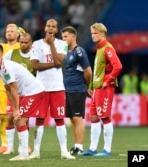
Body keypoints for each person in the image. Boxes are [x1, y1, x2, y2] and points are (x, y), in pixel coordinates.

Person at [0, 43, 46, 161]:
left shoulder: (6, 67)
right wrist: (14, 109)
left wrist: (17, 110)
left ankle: (24, 154)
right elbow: (8, 89)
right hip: (26, 93)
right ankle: (21, 151)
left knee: (20, 121)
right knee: (18, 120)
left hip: (34, 91)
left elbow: (13, 88)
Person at [28, 19, 75, 160]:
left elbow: (60, 62)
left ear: (56, 30)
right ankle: (36, 151)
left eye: (53, 27)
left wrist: (52, 45)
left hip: (57, 88)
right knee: (39, 119)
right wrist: (53, 64)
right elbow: (35, 66)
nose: (50, 28)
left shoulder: (62, 44)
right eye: (48, 26)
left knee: (59, 119)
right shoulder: (36, 44)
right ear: (45, 28)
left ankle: (64, 151)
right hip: (40, 89)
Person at [80, 23, 122, 156]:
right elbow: (97, 71)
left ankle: (107, 150)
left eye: (96, 33)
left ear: (103, 34)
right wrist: (91, 86)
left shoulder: (108, 48)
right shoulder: (99, 48)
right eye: (92, 33)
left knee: (105, 117)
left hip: (105, 88)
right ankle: (92, 149)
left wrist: (107, 81)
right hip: (97, 88)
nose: (93, 36)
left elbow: (118, 66)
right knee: (93, 117)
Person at [61, 26, 92, 155]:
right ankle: (76, 146)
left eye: (66, 36)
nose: (63, 39)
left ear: (73, 37)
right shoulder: (66, 52)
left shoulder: (79, 52)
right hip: (68, 89)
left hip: (78, 89)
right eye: (62, 37)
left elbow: (88, 72)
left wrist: (86, 86)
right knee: (73, 119)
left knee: (77, 118)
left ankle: (79, 147)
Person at [2, 32, 35, 155]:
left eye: (26, 42)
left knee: (24, 119)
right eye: (21, 42)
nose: (23, 45)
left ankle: (25, 145)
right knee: (10, 117)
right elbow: (2, 67)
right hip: (13, 90)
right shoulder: (11, 53)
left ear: (31, 43)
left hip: (27, 92)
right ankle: (10, 147)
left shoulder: (34, 55)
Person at [0, 23, 20, 154]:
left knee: (21, 116)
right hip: (2, 87)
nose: (9, 33)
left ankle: (24, 144)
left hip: (17, 87)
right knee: (3, 117)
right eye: (7, 31)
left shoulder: (22, 46)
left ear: (17, 34)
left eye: (12, 31)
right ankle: (5, 144)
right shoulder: (0, 47)